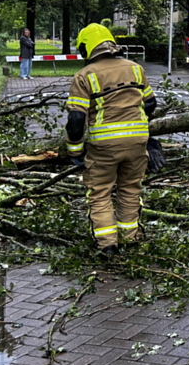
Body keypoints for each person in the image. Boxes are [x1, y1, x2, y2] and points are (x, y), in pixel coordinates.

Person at [65, 24, 157, 258]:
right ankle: (131, 237)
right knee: (129, 189)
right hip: (137, 143)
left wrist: (75, 151)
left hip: (104, 146)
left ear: (87, 48)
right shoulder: (136, 69)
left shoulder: (85, 76)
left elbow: (76, 120)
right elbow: (150, 104)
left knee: (100, 193)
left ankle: (108, 245)